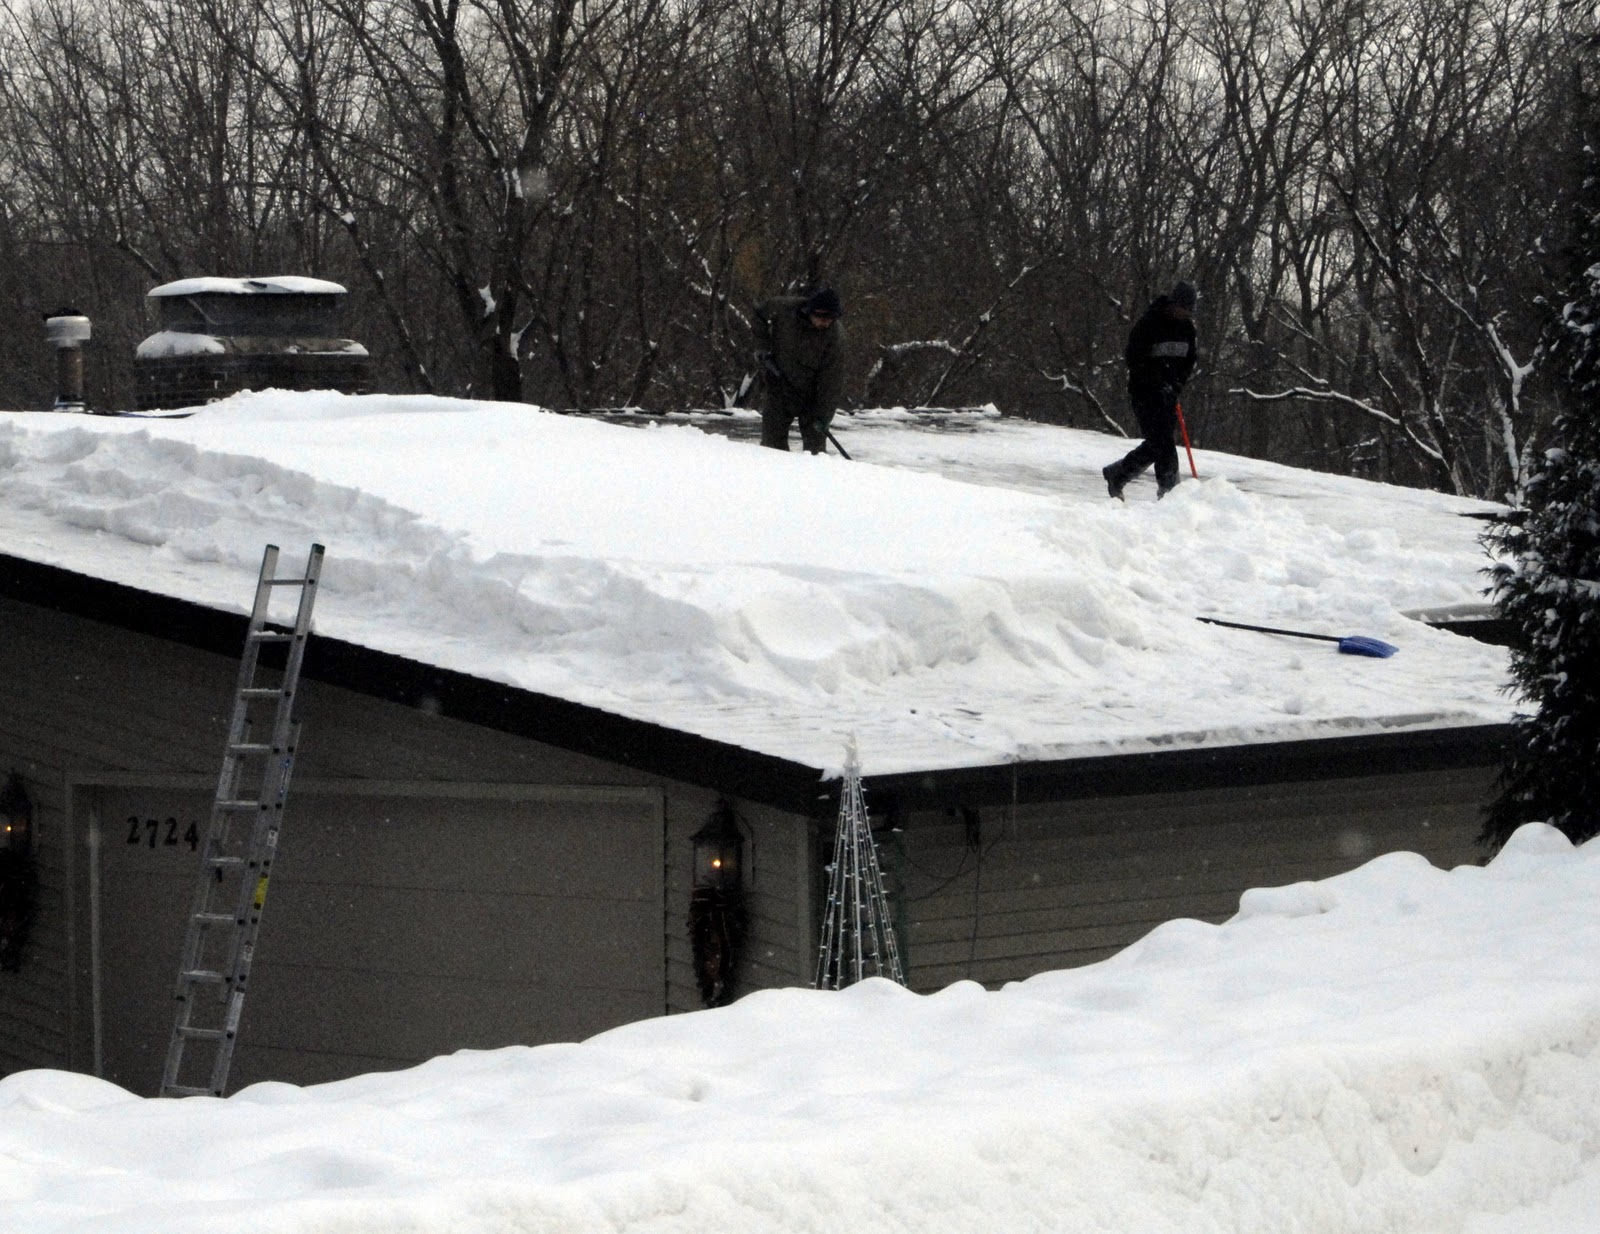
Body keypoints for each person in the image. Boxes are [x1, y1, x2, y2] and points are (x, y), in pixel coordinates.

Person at [1103, 280, 1198, 500]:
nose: (1184, 314)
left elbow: (1189, 361)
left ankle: (1120, 474)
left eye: (1188, 311)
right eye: (1181, 308)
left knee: (1161, 442)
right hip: (1144, 393)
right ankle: (1169, 491)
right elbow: (1134, 358)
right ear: (1173, 303)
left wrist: (1176, 384)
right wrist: (1156, 380)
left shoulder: (1187, 330)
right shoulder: (1150, 323)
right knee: (1160, 441)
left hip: (1168, 395)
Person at [752, 287, 846, 453]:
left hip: (812, 397)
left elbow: (832, 382)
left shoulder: (835, 337)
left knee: (815, 451)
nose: (825, 322)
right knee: (772, 447)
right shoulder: (784, 309)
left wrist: (823, 418)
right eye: (821, 316)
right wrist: (762, 347)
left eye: (830, 318)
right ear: (810, 311)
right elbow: (759, 314)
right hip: (778, 385)